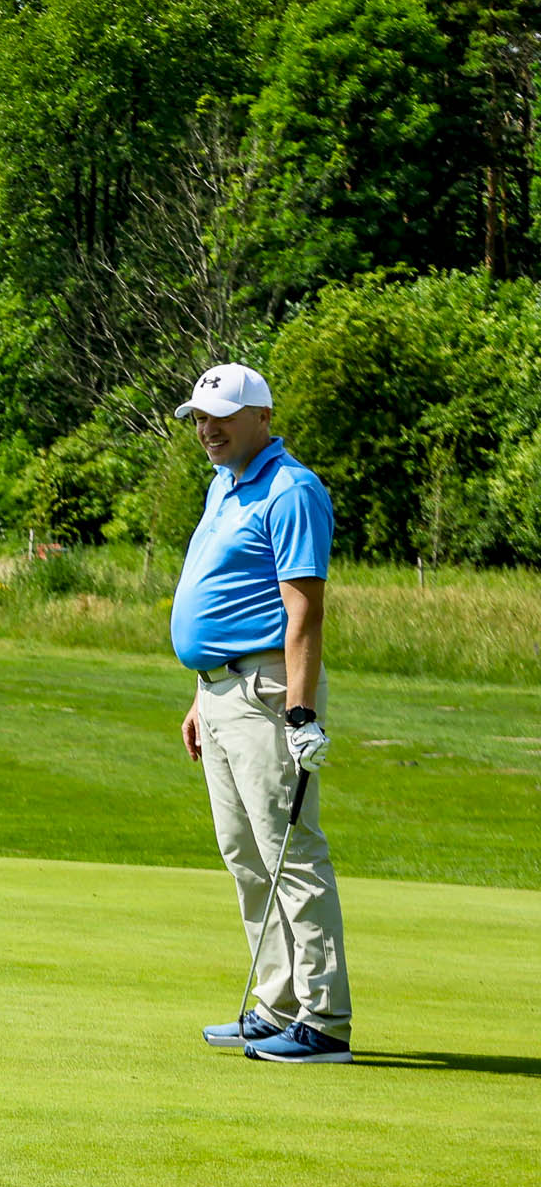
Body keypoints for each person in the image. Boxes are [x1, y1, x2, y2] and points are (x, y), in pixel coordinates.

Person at [168, 365, 348, 1063]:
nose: (208, 429)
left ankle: (324, 1020)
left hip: (268, 693)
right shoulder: (225, 483)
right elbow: (229, 600)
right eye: (199, 417)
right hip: (221, 692)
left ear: (263, 417)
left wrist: (300, 714)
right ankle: (277, 1006)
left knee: (289, 853)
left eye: (222, 416)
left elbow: (303, 612)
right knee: (245, 854)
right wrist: (201, 693)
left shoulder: (291, 489)